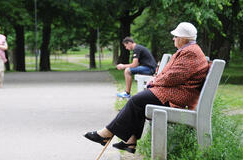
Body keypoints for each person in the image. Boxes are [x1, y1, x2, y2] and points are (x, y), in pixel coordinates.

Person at [84, 22, 209, 153]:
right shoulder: (189, 50)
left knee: (136, 100)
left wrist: (154, 81)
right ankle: (130, 141)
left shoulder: (190, 52)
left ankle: (107, 133)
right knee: (139, 101)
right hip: (176, 92)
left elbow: (173, 76)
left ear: (183, 38)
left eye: (175, 36)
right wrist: (156, 80)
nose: (173, 39)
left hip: (178, 96)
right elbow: (173, 75)